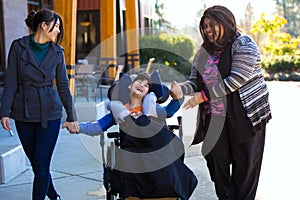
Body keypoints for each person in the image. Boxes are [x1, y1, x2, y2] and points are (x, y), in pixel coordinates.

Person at [170, 5, 272, 200]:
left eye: (212, 25)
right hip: (215, 117)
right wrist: (180, 90)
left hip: (245, 114)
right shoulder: (203, 53)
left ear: (226, 22)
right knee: (215, 157)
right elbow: (194, 81)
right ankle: (225, 196)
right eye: (205, 26)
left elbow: (236, 79)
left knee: (245, 165)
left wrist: (203, 97)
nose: (208, 30)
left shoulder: (244, 44)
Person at [64, 72, 198, 200]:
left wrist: (178, 98)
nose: (142, 85)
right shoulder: (119, 110)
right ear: (130, 85)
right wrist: (77, 127)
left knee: (148, 126)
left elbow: (170, 110)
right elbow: (97, 127)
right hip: (134, 152)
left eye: (146, 85)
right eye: (139, 81)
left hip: (157, 150)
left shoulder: (154, 108)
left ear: (148, 92)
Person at [0, 9, 78, 200]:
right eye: (56, 26)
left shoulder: (58, 52)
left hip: (49, 113)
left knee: (42, 164)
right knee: (37, 164)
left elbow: (62, 86)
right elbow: (10, 81)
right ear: (44, 25)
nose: (58, 31)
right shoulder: (18, 47)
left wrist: (72, 116)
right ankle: (54, 196)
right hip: (23, 113)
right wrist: (4, 112)